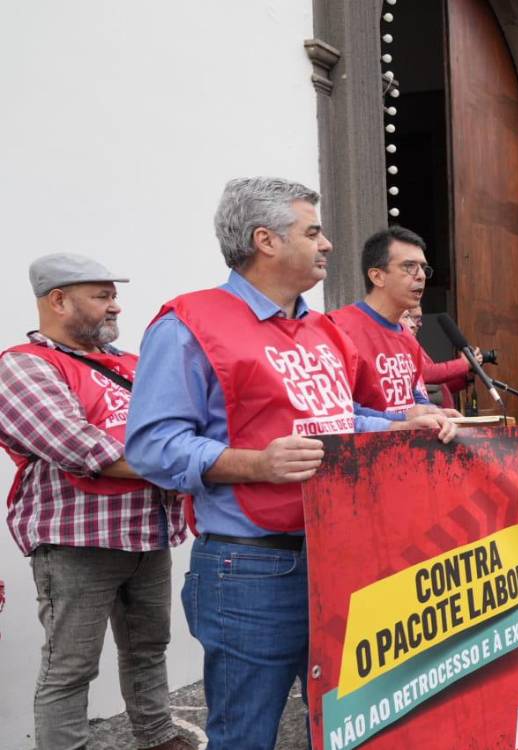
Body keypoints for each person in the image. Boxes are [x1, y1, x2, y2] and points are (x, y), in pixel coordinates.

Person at [124, 177, 457, 748]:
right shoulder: (187, 325)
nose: (328, 244)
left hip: (344, 553)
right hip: (250, 568)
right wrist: (256, 465)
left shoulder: (321, 329)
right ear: (265, 241)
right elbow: (151, 445)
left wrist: (402, 423)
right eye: (313, 231)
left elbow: (337, 417)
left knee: (349, 724)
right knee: (247, 732)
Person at [0, 255, 192, 750]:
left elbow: (181, 425)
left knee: (149, 648)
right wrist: (190, 461)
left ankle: (156, 735)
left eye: (113, 295)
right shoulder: (23, 365)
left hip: (147, 532)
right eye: (102, 296)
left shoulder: (127, 364)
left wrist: (183, 449)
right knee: (71, 666)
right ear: (58, 300)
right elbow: (79, 446)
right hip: (75, 541)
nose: (116, 307)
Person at [328, 228, 452, 416]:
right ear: (377, 276)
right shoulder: (337, 328)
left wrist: (434, 412)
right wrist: (401, 419)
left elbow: (412, 394)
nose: (421, 276)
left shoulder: (408, 338)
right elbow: (336, 412)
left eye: (423, 268)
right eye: (409, 266)